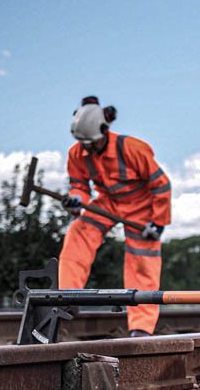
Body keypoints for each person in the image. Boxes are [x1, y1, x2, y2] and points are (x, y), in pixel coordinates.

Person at [59, 96, 172, 337]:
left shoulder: (133, 149)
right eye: (83, 144)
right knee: (79, 231)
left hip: (141, 206)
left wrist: (158, 223)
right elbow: (79, 185)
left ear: (104, 131)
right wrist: (77, 201)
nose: (87, 149)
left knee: (142, 262)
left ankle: (141, 327)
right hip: (108, 202)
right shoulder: (77, 152)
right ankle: (67, 296)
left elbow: (161, 186)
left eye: (91, 144)